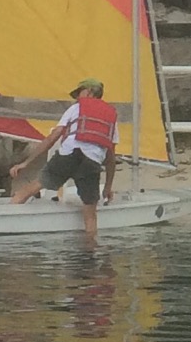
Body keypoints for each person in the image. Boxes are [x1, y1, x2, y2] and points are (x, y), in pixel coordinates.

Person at [12, 80, 119, 237]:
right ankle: (91, 248)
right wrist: (108, 187)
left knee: (32, 187)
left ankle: (7, 219)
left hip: (68, 156)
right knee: (90, 215)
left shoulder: (76, 108)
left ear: (89, 92)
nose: (77, 98)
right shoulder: (110, 116)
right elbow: (110, 157)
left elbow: (53, 137)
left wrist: (25, 163)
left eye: (79, 93)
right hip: (91, 162)